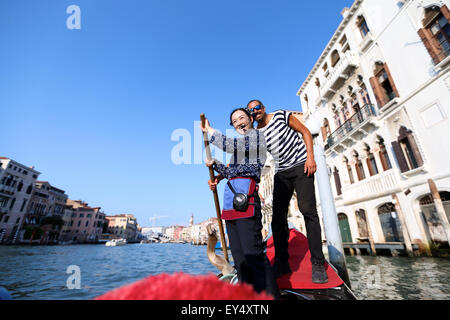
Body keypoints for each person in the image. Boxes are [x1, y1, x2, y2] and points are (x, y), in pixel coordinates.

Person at [200, 108, 279, 298]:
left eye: (241, 118)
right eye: (234, 121)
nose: (239, 123)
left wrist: (210, 130)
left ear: (250, 119)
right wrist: (215, 165)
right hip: (230, 204)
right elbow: (231, 172)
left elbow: (229, 146)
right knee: (239, 258)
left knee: (254, 254)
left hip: (247, 201)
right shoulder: (239, 151)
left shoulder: (256, 138)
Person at [247, 99, 328, 284]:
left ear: (263, 108)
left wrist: (310, 157)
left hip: (301, 165)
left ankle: (317, 262)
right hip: (281, 172)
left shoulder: (281, 115)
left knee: (308, 212)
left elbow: (306, 132)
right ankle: (282, 262)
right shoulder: (257, 133)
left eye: (257, 107)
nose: (255, 111)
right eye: (251, 110)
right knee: (277, 218)